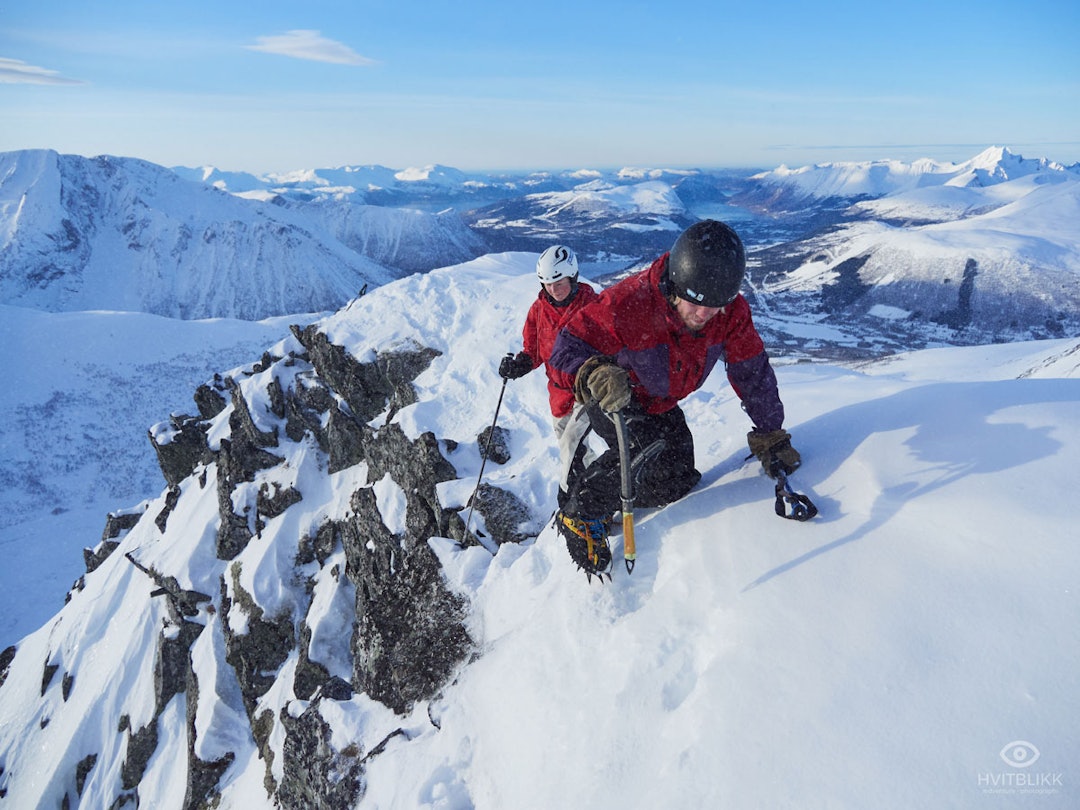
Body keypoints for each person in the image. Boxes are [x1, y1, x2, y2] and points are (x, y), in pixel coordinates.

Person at [548, 219, 802, 577]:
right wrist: (591, 372)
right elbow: (565, 347)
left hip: (660, 400)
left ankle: (612, 494)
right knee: (643, 456)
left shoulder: (729, 313)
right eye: (695, 303)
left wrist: (770, 431)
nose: (704, 315)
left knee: (678, 479)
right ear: (676, 285)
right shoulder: (630, 302)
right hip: (615, 395)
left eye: (715, 306)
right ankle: (581, 512)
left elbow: (751, 371)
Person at [498, 245, 600, 505]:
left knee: (571, 445)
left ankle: (573, 501)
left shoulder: (592, 305)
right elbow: (533, 350)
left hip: (588, 391)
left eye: (559, 282)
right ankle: (596, 492)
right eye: (548, 284)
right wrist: (519, 365)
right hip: (558, 394)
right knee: (575, 450)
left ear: (573, 277)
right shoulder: (539, 310)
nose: (554, 289)